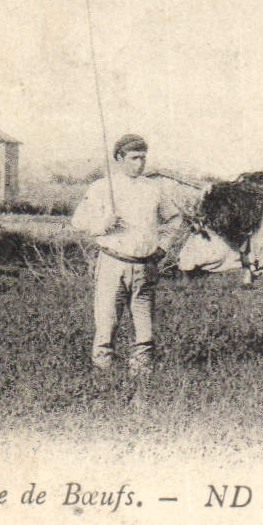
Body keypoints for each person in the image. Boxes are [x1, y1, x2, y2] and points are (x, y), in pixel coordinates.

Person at [71, 134, 186, 374]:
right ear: (119, 158)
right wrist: (104, 223)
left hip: (145, 266)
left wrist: (163, 247)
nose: (140, 164)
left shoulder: (154, 188)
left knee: (144, 321)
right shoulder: (102, 187)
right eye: (134, 158)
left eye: (143, 158)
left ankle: (142, 373)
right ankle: (103, 373)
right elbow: (79, 220)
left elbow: (174, 217)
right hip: (113, 262)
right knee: (107, 319)